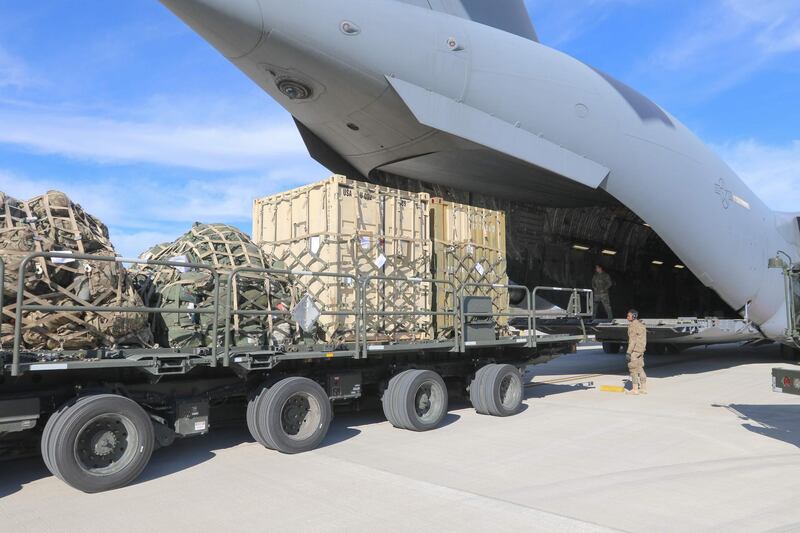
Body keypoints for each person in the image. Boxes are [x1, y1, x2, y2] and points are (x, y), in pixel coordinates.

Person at [626, 309, 647, 395]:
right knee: (640, 368)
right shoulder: (641, 325)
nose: (627, 317)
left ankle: (635, 389)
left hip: (634, 350)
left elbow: (633, 341)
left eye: (628, 316)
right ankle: (643, 388)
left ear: (633, 316)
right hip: (641, 349)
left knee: (633, 369)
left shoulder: (633, 326)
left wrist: (628, 352)